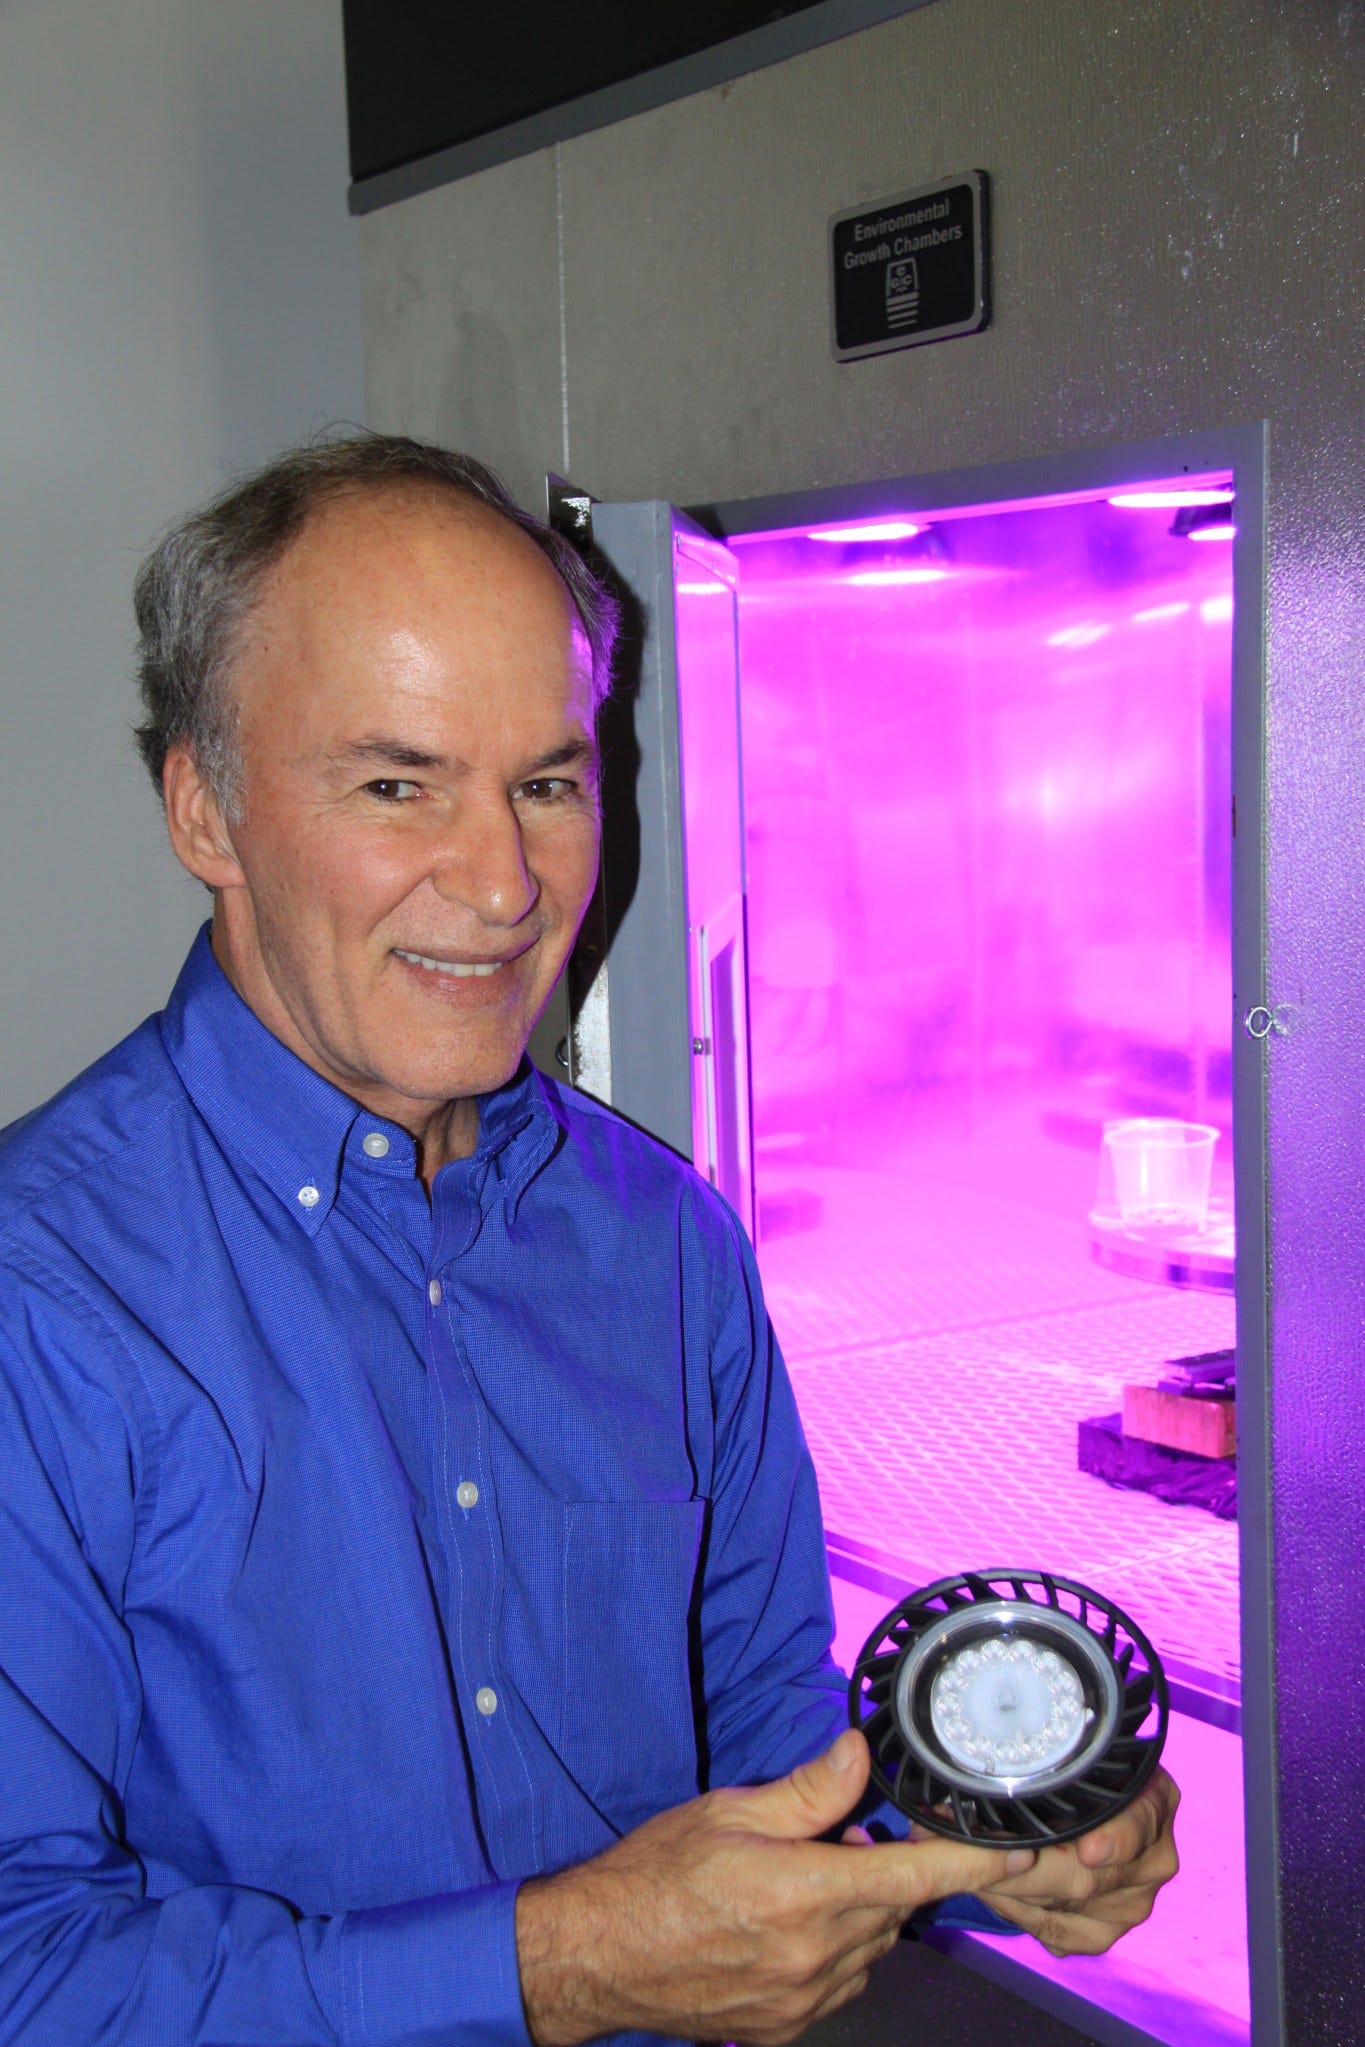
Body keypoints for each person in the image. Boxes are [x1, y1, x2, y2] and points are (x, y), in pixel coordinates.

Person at [0, 435, 1178, 2047]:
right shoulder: (39, 1300)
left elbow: (771, 1752)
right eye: (396, 782)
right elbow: (24, 1969)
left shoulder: (664, 1240)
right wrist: (558, 1968)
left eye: (548, 782)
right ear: (204, 809)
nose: (503, 884)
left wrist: (989, 1828)